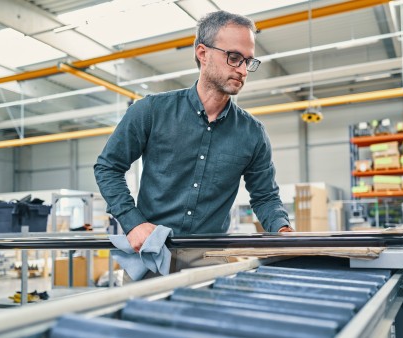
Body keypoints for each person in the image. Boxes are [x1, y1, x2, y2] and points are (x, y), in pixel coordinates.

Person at [94, 10, 292, 271]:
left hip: (209, 260)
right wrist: (133, 222)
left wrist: (283, 229)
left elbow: (265, 196)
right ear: (203, 53)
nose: (243, 70)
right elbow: (108, 167)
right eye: (234, 58)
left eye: (248, 61)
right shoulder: (151, 111)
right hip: (151, 253)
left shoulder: (252, 133)